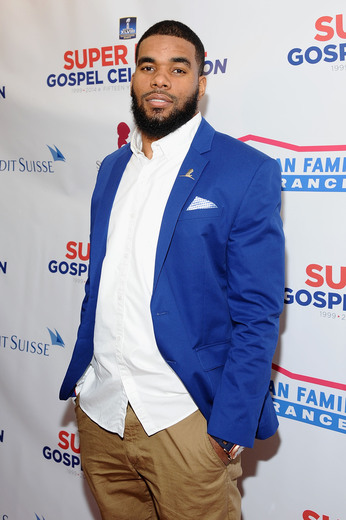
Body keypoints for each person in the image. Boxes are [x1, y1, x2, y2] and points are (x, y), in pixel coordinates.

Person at [60, 20, 285, 520]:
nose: (160, 79)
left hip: (184, 419)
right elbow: (103, 281)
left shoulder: (245, 171)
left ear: (201, 84)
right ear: (134, 78)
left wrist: (229, 423)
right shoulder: (111, 169)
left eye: (177, 68)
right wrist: (84, 380)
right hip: (101, 413)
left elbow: (259, 315)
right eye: (148, 67)